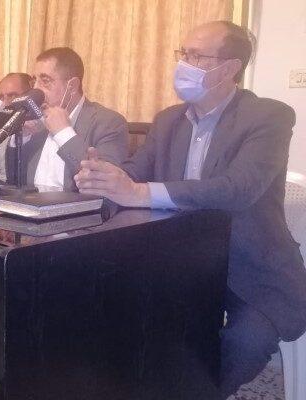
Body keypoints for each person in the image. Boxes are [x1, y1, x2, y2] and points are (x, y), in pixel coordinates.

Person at [74, 21, 306, 398]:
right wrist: (105, 176)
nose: (184, 64)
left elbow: (237, 189)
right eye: (183, 53)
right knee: (113, 307)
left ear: (230, 68)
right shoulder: (168, 120)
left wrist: (138, 192)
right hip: (183, 262)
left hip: (253, 268)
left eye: (197, 56)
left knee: (245, 341)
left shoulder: (269, 116)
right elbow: (135, 173)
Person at [5, 47, 128, 191]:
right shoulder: (38, 121)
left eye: (45, 81)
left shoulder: (108, 123)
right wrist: (23, 137)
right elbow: (14, 180)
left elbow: (106, 184)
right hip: (31, 203)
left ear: (72, 86)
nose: (36, 89)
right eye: (34, 82)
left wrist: (63, 133)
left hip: (77, 206)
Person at [0, 72, 34, 182]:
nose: (6, 104)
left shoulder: (43, 128)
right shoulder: (0, 127)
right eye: (1, 97)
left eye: (12, 96)